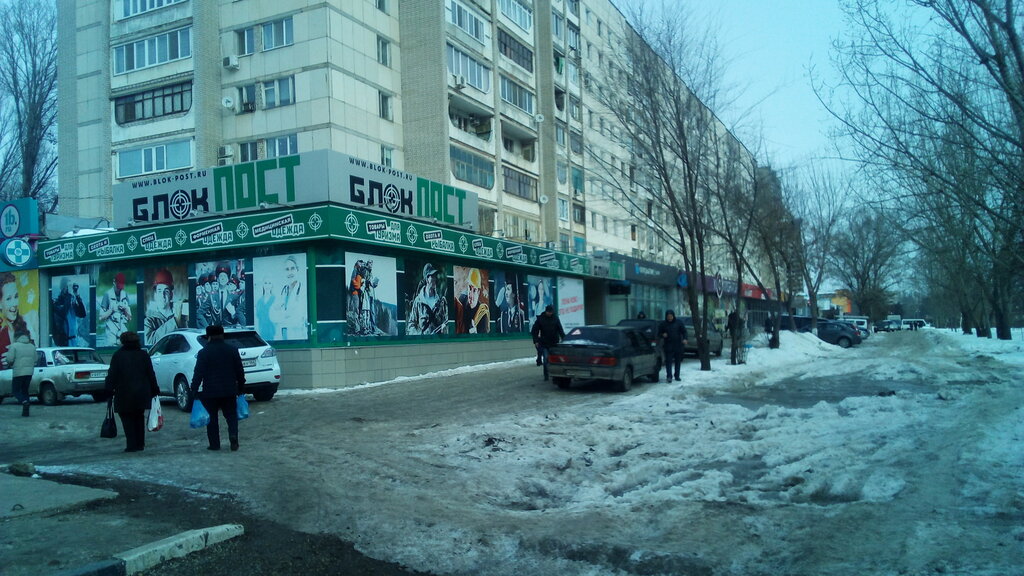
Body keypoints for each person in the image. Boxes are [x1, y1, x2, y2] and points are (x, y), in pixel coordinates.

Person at [190, 325, 246, 451]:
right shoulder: (232, 350)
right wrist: (241, 386)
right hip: (229, 389)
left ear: (208, 337)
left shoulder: (204, 352)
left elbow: (198, 372)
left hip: (210, 391)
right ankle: (233, 437)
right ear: (222, 335)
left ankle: (214, 444)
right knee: (231, 415)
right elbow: (239, 370)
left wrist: (194, 388)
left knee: (212, 418)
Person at [104, 331, 159, 452]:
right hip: (141, 393)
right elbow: (150, 373)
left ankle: (131, 445)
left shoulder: (118, 355)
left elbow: (112, 374)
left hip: (124, 393)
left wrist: (108, 390)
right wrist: (155, 389)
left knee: (127, 418)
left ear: (123, 341)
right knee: (139, 417)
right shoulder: (143, 355)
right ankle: (140, 444)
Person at [144, 269, 184, 344]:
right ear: (155, 295)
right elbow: (150, 342)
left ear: (171, 295)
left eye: (166, 291)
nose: (162, 295)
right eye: (159, 291)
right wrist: (175, 321)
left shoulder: (182, 316)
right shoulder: (149, 321)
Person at [200, 263, 246, 328]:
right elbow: (199, 313)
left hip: (230, 330)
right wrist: (207, 328)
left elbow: (239, 315)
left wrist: (233, 313)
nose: (223, 278)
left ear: (228, 279)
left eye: (225, 276)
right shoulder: (212, 296)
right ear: (217, 279)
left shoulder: (234, 297)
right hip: (216, 331)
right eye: (221, 276)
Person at [407, 263, 448, 335]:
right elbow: (411, 324)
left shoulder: (440, 302)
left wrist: (444, 329)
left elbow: (447, 322)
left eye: (435, 276)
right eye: (432, 276)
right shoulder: (418, 301)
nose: (435, 279)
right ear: (427, 279)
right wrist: (419, 336)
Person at [4, 330, 36, 417]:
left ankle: (24, 402)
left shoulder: (14, 346)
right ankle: (26, 412)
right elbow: (36, 359)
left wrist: (10, 363)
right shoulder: (32, 346)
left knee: (15, 391)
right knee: (25, 390)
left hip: (18, 372)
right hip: (29, 372)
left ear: (16, 337)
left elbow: (10, 359)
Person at [0, 272, 30, 361]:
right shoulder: (2, 331)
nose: (15, 303)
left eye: (16, 296)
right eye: (8, 298)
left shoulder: (23, 326)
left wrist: (15, 357)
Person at [531, 305, 565, 381]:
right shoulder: (541, 319)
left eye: (551, 312)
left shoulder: (555, 318)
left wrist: (564, 339)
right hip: (544, 343)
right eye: (549, 312)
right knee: (546, 359)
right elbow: (534, 330)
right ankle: (546, 375)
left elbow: (560, 330)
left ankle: (555, 375)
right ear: (546, 311)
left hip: (554, 343)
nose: (550, 313)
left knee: (554, 360)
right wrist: (536, 341)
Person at [98, 272, 132, 347]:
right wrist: (112, 310)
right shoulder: (107, 295)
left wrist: (125, 309)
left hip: (123, 332)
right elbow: (101, 318)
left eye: (122, 285)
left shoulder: (125, 295)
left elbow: (129, 318)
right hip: (111, 333)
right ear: (114, 282)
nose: (120, 288)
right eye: (118, 284)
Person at [455, 268, 489, 334]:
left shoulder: (482, 315)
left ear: (478, 292)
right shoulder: (462, 300)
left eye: (474, 290)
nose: (471, 295)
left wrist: (475, 334)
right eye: (470, 288)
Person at [659, 309, 688, 382]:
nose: (669, 318)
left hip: (678, 345)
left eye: (671, 316)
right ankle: (669, 376)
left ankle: (677, 376)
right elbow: (658, 333)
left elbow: (684, 332)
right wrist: (662, 335)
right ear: (666, 316)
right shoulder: (663, 324)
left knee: (678, 361)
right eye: (668, 316)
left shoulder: (678, 323)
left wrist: (685, 339)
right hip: (668, 345)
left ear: (673, 316)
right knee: (668, 361)